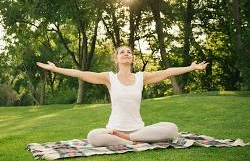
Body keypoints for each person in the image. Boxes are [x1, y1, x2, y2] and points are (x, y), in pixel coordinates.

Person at [36, 45, 208, 147]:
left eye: (129, 52)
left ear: (132, 58)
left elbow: (168, 71)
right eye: (122, 52)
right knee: (93, 136)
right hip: (113, 130)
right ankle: (131, 141)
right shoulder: (109, 78)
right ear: (116, 58)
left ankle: (129, 139)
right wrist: (56, 69)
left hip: (138, 129)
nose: (126, 53)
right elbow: (80, 73)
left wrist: (191, 68)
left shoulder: (142, 77)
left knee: (171, 127)